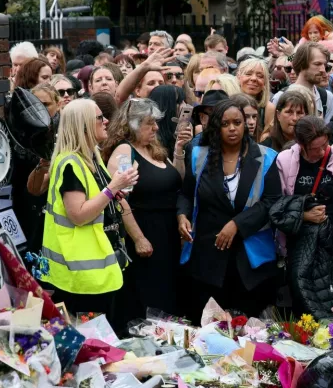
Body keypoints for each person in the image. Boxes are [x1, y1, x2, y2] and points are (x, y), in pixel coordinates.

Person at [177, 100, 282, 319]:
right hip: (207, 256)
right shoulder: (198, 155)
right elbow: (186, 193)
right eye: (226, 123)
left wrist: (237, 224)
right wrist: (182, 216)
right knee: (208, 328)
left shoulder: (267, 157)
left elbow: (272, 201)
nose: (232, 128)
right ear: (217, 127)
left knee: (249, 330)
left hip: (250, 259)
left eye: (237, 122)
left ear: (246, 124)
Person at [42, 99, 138, 328]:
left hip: (97, 271)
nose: (106, 121)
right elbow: (78, 214)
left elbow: (98, 197)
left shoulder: (91, 157)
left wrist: (115, 193)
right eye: (99, 118)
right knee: (93, 342)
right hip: (80, 275)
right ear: (83, 125)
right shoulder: (70, 163)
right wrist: (112, 188)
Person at [104, 99, 188, 322]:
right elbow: (119, 197)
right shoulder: (125, 150)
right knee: (149, 300)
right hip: (145, 231)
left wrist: (178, 151)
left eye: (156, 122)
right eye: (150, 123)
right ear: (132, 124)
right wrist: (139, 238)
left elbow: (177, 181)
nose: (156, 128)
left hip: (167, 233)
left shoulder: (155, 149)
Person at [270, 117, 333, 318]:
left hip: (331, 238)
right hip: (299, 242)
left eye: (324, 145)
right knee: (304, 297)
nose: (321, 152)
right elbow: (280, 205)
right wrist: (304, 215)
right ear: (301, 145)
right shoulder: (285, 160)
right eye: (315, 148)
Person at [290, 41, 333, 121]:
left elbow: (329, 131)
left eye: (325, 65)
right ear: (302, 64)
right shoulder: (281, 96)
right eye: (317, 64)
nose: (323, 70)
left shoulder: (326, 97)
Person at [236, 58, 276, 132]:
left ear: (265, 82)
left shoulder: (269, 108)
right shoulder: (229, 104)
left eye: (260, 76)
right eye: (248, 74)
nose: (254, 78)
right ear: (238, 76)